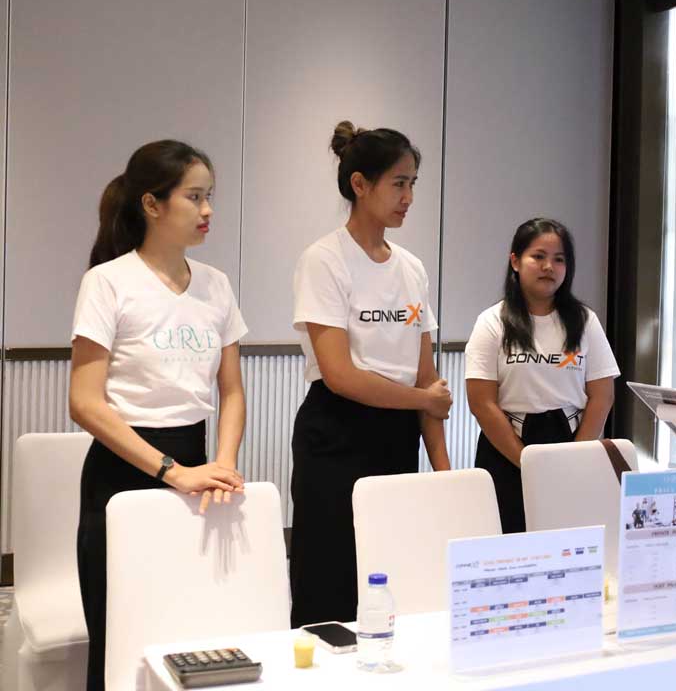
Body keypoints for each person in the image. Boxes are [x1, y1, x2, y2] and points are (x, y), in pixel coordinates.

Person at [69, 141, 248, 690]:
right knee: (120, 641)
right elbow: (85, 402)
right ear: (151, 204)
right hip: (124, 474)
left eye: (209, 196)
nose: (207, 210)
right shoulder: (109, 282)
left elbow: (232, 392)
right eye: (194, 197)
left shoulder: (216, 284)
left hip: (199, 472)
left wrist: (222, 464)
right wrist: (172, 471)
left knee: (190, 633)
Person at [290, 121, 452, 627]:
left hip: (397, 437)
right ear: (360, 184)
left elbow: (427, 378)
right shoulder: (324, 260)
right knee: (330, 584)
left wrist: (445, 474)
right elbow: (340, 375)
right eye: (398, 183)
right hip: (336, 434)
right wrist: (424, 400)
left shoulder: (412, 268)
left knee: (390, 578)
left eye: (413, 184)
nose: (408, 198)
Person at [465, 217, 619, 533]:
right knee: (507, 547)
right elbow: (482, 403)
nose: (549, 266)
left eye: (559, 259)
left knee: (569, 546)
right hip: (507, 449)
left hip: (571, 446)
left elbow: (602, 396)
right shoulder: (492, 321)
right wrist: (527, 462)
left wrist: (574, 457)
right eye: (538, 256)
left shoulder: (585, 321)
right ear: (515, 261)